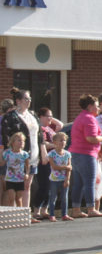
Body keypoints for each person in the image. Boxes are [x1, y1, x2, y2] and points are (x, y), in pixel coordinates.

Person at [0, 88, 47, 223]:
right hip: (16, 158)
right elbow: (6, 137)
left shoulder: (33, 115)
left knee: (27, 185)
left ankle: (25, 213)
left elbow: (40, 136)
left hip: (32, 155)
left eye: (30, 99)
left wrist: (43, 151)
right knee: (13, 187)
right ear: (18, 101)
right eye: (26, 99)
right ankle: (13, 214)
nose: (29, 101)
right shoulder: (10, 117)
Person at [68, 94, 102, 218]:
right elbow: (91, 138)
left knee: (78, 183)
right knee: (89, 181)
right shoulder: (89, 118)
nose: (98, 109)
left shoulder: (80, 117)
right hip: (86, 154)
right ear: (90, 106)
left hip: (75, 153)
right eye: (97, 106)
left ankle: (76, 209)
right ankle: (91, 208)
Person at [32, 107, 64, 219]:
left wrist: (50, 118)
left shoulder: (49, 128)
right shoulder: (40, 129)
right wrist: (55, 145)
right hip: (43, 161)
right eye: (47, 116)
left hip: (53, 161)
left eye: (51, 115)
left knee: (51, 186)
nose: (50, 118)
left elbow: (60, 125)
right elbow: (43, 143)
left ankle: (44, 210)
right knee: (44, 186)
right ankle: (36, 210)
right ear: (40, 117)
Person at [47, 132, 73, 222]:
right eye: (60, 140)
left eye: (64, 140)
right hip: (54, 179)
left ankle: (64, 214)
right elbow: (54, 167)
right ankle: (51, 215)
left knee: (64, 198)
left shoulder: (67, 154)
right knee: (53, 197)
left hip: (64, 179)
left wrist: (67, 179)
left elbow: (70, 168)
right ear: (54, 142)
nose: (63, 142)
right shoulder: (51, 154)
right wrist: (65, 167)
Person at [0, 132, 30, 207]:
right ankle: (12, 214)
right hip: (10, 179)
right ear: (13, 142)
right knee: (11, 198)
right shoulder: (8, 153)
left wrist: (27, 173)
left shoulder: (24, 154)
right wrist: (0, 154)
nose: (21, 142)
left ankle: (20, 215)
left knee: (18, 199)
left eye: (23, 141)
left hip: (20, 179)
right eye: (19, 140)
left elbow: (27, 165)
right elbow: (2, 164)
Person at [0, 98, 16, 206]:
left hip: (3, 151)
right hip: (6, 153)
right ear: (10, 109)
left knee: (3, 184)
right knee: (8, 185)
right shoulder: (8, 120)